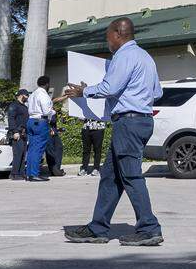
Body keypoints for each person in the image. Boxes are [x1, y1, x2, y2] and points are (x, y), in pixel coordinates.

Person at [62, 17, 164, 246]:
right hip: (140, 121)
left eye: (107, 35)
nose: (107, 41)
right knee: (110, 176)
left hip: (128, 122)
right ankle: (98, 228)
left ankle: (149, 228)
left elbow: (110, 87)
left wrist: (84, 91)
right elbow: (157, 92)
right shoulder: (146, 57)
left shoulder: (125, 56)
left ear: (118, 33)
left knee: (131, 175)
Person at [25, 75, 55, 182]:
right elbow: (47, 111)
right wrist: (53, 111)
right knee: (38, 149)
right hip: (40, 122)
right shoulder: (43, 94)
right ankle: (34, 174)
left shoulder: (33, 94)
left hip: (31, 121)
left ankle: (29, 174)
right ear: (47, 84)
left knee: (32, 149)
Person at [5, 89, 29, 181]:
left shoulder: (24, 106)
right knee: (18, 154)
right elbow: (11, 119)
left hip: (24, 133)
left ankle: (21, 173)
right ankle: (14, 174)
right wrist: (15, 131)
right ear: (21, 95)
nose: (27, 97)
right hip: (17, 133)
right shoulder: (14, 105)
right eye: (26, 95)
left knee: (23, 154)